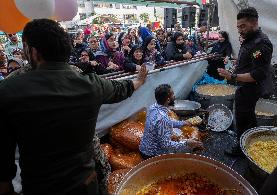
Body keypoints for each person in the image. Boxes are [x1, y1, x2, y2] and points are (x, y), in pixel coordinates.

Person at [0, 19, 148, 195]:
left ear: (33, 51)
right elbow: (122, 89)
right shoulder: (90, 84)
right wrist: (139, 80)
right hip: (85, 184)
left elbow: (3, 152)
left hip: (40, 187)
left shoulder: (9, 91)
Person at [218, 7, 273, 156]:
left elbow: (257, 74)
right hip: (244, 86)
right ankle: (250, 144)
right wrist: (237, 63)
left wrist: (233, 76)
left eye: (243, 26)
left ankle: (242, 150)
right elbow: (249, 61)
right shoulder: (250, 40)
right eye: (238, 27)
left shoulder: (261, 44)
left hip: (251, 89)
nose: (240, 30)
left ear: (254, 23)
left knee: (243, 119)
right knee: (247, 119)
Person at [139, 84, 203, 159]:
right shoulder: (162, 118)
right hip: (152, 154)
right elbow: (165, 145)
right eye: (172, 94)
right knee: (190, 149)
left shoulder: (153, 107)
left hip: (144, 148)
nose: (174, 96)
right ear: (168, 100)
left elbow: (166, 122)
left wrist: (182, 123)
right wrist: (186, 143)